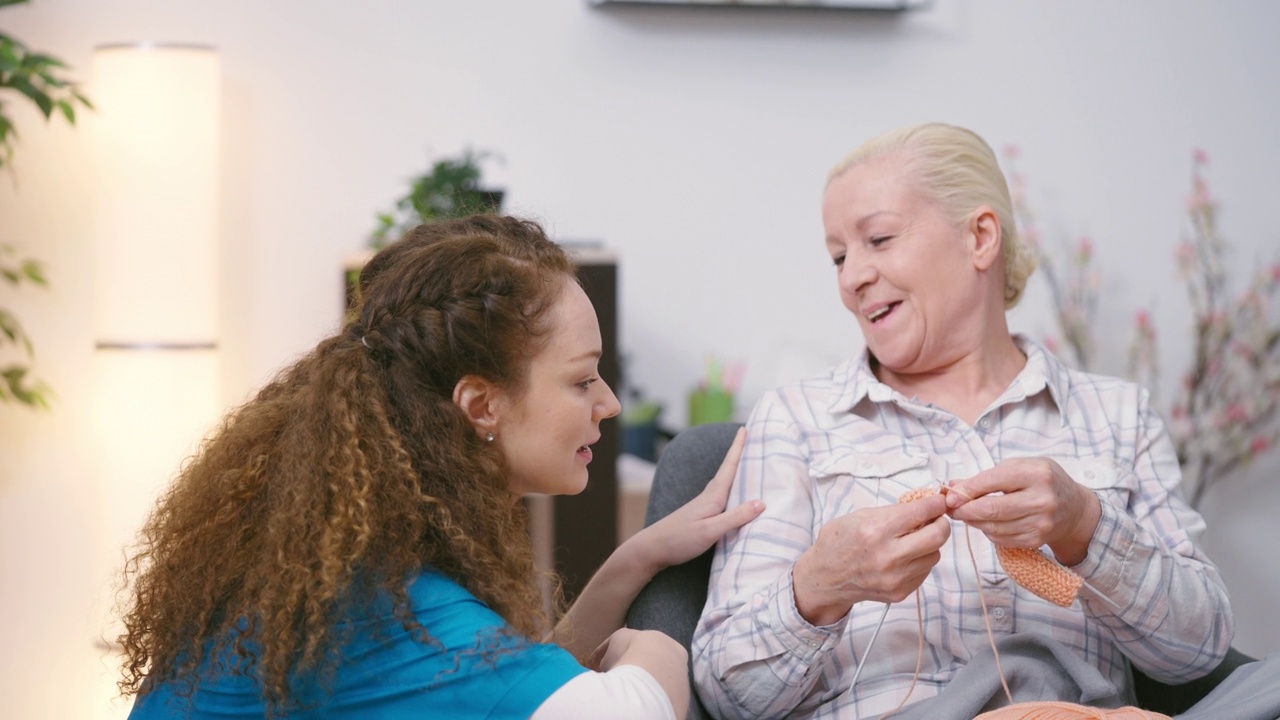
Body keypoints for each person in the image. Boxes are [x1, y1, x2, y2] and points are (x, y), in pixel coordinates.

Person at [117, 214, 765, 719]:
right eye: (583, 380)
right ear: (480, 404)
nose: (611, 404)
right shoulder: (387, 605)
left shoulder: (345, 567)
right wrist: (656, 644)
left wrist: (638, 559)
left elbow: (507, 691)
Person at [691, 122, 1234, 719]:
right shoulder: (795, 419)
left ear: (980, 237)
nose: (851, 279)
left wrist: (1085, 526)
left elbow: (1199, 653)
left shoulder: (1117, 414)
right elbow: (725, 696)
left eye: (879, 239)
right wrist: (820, 586)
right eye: (839, 257)